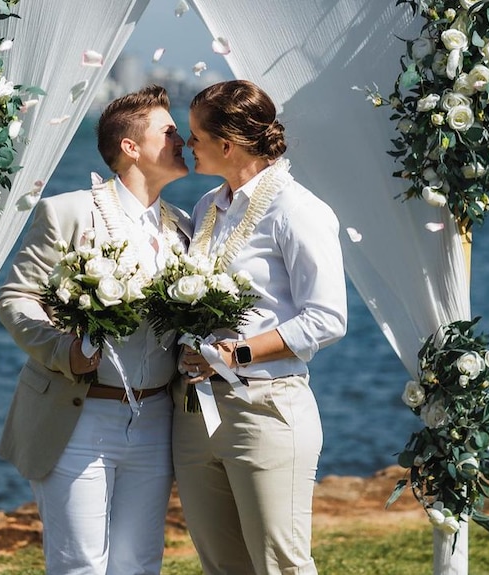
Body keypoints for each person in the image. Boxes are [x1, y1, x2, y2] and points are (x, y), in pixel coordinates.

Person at [0, 85, 192, 575]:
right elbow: (16, 299)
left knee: (140, 564)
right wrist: (65, 350)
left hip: (155, 419)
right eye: (169, 132)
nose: (182, 140)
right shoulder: (68, 212)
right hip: (77, 418)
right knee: (80, 564)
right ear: (131, 147)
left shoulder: (184, 227)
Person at [174, 79, 348, 575]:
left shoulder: (297, 210)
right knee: (222, 566)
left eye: (195, 138)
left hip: (265, 411)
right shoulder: (208, 206)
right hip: (195, 413)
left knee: (281, 566)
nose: (189, 147)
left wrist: (238, 354)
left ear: (227, 145)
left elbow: (328, 317)